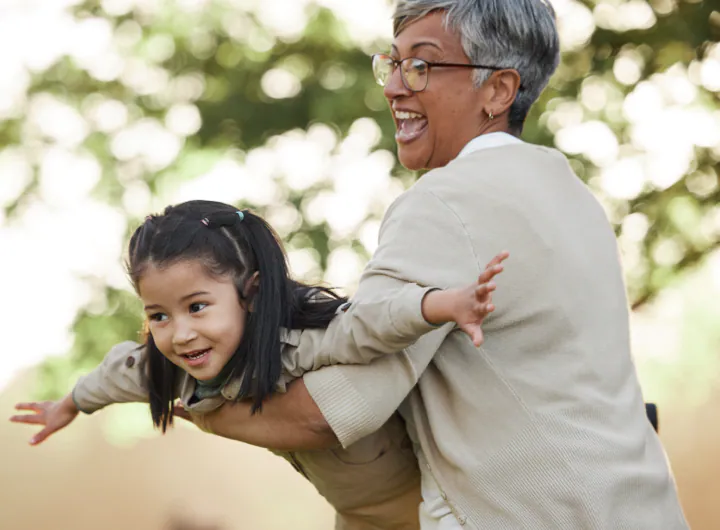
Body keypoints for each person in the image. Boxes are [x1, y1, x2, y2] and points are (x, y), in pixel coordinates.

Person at [180, 2, 690, 529]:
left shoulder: (444, 203)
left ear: (498, 90)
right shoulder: (574, 194)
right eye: (393, 63)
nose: (395, 87)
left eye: (422, 66)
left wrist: (190, 395)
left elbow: (332, 411)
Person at [11, 200, 508, 530]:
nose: (180, 333)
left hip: (431, 506)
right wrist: (70, 403)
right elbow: (117, 372)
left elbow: (364, 325)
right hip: (357, 516)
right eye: (158, 315)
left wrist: (441, 306)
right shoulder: (174, 367)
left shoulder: (297, 343)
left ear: (249, 293)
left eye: (197, 306)